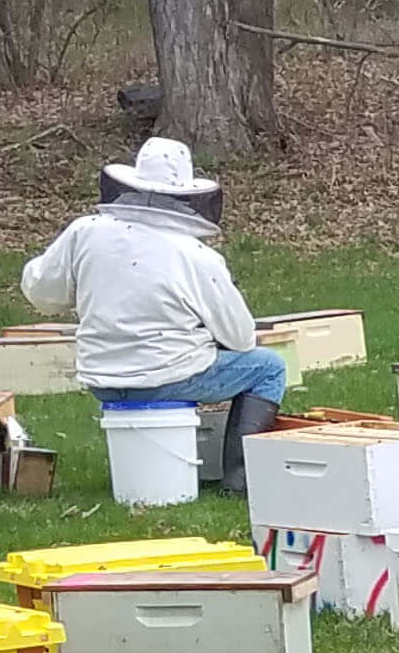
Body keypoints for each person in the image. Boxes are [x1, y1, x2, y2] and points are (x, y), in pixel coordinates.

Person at [15, 137, 286, 491]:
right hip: (167, 376)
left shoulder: (84, 233)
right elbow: (240, 337)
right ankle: (240, 480)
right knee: (268, 367)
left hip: (103, 380)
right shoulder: (195, 254)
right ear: (188, 196)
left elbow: (40, 292)